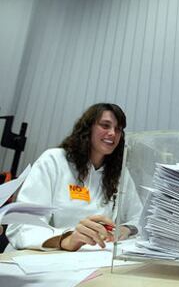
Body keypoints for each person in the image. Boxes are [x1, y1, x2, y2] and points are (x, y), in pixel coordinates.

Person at [6, 103, 142, 251]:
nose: (112, 133)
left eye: (118, 129)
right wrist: (66, 238)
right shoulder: (54, 160)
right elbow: (21, 226)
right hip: (39, 258)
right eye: (105, 125)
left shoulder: (120, 173)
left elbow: (139, 219)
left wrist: (126, 229)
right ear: (88, 128)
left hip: (91, 259)